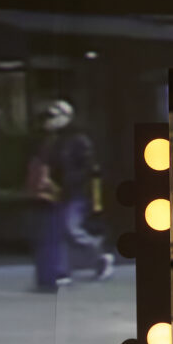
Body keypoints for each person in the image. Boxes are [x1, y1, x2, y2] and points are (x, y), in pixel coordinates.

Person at [27, 100, 113, 290]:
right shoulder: (50, 140)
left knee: (70, 228)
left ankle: (99, 256)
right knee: (59, 231)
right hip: (56, 192)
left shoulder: (78, 140)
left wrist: (67, 184)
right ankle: (62, 271)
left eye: (53, 117)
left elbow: (87, 169)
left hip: (75, 192)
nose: (49, 122)